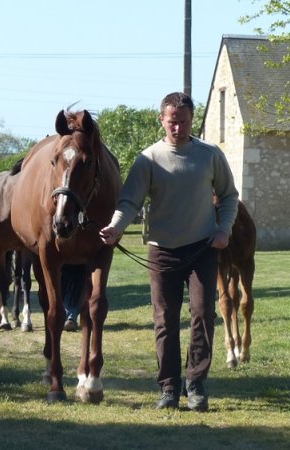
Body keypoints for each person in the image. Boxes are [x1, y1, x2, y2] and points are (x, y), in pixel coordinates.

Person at [99, 92, 239, 412]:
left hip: (203, 247)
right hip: (162, 251)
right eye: (173, 122)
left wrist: (224, 229)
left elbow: (229, 195)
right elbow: (129, 201)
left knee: (202, 313)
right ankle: (169, 388)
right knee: (165, 319)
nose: (178, 128)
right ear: (161, 120)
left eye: (184, 122)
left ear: (192, 120)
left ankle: (196, 384)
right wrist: (115, 227)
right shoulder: (148, 159)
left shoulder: (210, 155)